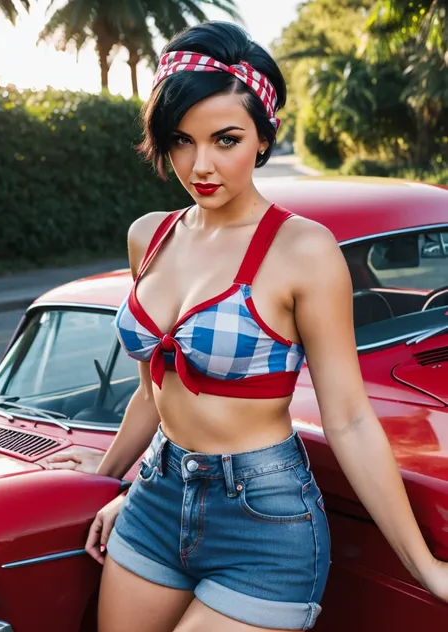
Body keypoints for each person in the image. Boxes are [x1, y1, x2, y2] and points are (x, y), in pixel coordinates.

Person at [46, 20, 448, 632]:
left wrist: (426, 567)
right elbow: (152, 393)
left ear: (264, 137)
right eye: (181, 141)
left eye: (225, 139)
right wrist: (100, 488)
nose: (200, 164)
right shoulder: (148, 236)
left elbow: (349, 418)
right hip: (155, 498)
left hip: (264, 519)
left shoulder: (304, 250)